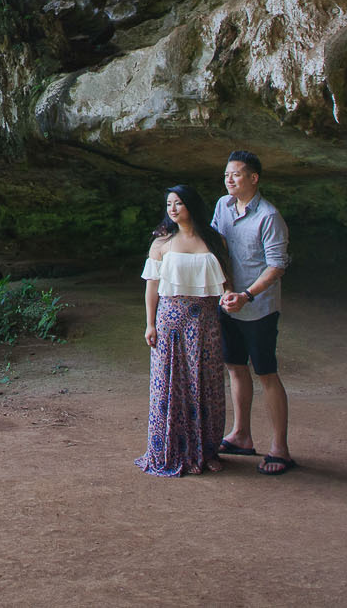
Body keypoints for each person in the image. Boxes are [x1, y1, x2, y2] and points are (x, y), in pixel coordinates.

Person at [134, 183, 234, 476]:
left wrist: (230, 298)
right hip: (170, 321)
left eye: (178, 203)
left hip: (205, 320)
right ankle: (168, 450)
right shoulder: (161, 244)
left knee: (206, 383)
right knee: (170, 384)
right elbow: (152, 288)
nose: (173, 209)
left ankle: (205, 451)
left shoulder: (215, 240)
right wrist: (150, 324)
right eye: (168, 205)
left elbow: (227, 281)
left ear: (192, 205)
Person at [213, 150, 296, 474]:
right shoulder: (223, 205)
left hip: (259, 308)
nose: (229, 180)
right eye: (226, 175)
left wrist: (246, 295)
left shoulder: (269, 216)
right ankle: (241, 435)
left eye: (235, 174)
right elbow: (215, 245)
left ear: (253, 178)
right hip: (229, 302)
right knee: (235, 367)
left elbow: (277, 265)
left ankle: (280, 449)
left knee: (266, 373)